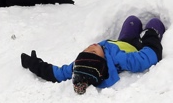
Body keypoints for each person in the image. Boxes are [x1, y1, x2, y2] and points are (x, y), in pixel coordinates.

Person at [20, 15, 165, 94]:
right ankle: (152, 29)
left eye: (86, 50)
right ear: (103, 60)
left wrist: (33, 64)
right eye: (93, 51)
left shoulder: (79, 66)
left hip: (121, 41)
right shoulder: (119, 59)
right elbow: (147, 58)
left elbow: (57, 73)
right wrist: (150, 36)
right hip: (136, 45)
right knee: (154, 22)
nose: (92, 46)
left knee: (132, 20)